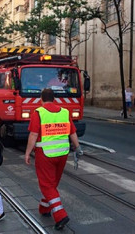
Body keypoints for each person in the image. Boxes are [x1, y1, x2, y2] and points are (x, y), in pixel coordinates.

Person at [24, 88, 80, 231]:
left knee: (46, 185)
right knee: (52, 183)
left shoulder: (39, 112)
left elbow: (33, 135)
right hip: (62, 153)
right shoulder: (64, 112)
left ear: (41, 99)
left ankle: (60, 215)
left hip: (46, 154)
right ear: (54, 98)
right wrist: (78, 148)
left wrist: (27, 152)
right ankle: (44, 208)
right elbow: (72, 132)